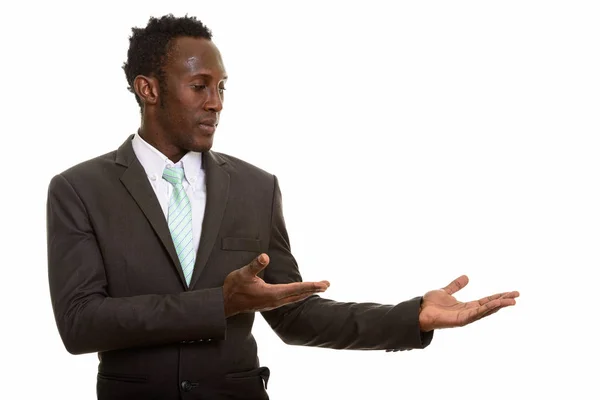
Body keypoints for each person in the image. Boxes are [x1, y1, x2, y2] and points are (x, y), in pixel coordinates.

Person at [46, 14, 519, 400]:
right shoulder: (79, 190)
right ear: (148, 90)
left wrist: (410, 316)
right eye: (200, 86)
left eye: (222, 88)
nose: (216, 104)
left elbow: (295, 315)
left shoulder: (256, 187)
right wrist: (219, 303)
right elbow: (80, 324)